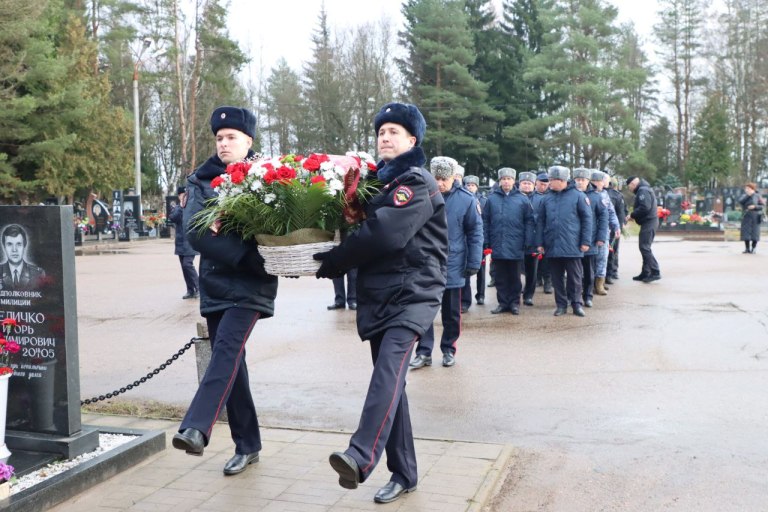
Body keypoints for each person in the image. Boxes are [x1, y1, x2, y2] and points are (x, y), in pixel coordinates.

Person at [312, 102, 447, 504]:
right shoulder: (378, 183)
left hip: (412, 295)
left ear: (412, 139)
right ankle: (404, 473)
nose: (385, 137)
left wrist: (336, 261)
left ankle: (360, 455)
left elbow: (385, 235)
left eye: (394, 131)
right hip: (380, 296)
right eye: (381, 131)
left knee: (386, 374)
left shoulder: (415, 182)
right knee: (394, 387)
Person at [172, 106, 278, 477]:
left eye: (231, 137)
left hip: (252, 285)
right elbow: (196, 232)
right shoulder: (201, 180)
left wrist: (255, 258)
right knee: (234, 364)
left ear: (248, 141)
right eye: (219, 137)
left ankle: (196, 428)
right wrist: (245, 254)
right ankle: (248, 445)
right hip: (217, 283)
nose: (224, 143)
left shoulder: (268, 178)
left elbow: (278, 224)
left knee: (225, 354)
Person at [410, 157, 482, 370]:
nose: (440, 183)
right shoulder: (422, 195)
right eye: (437, 178)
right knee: (424, 311)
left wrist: (474, 261)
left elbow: (475, 232)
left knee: (451, 313)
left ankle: (449, 349)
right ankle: (423, 352)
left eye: (444, 178)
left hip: (453, 263)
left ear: (453, 177)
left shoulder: (467, 200)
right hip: (425, 263)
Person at [536, 166, 592, 317]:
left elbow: (587, 220)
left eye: (551, 180)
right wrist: (540, 243)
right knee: (557, 278)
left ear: (561, 181)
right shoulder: (546, 198)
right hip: (552, 244)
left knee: (574, 278)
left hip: (572, 244)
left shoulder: (578, 196)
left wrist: (585, 241)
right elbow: (541, 221)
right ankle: (561, 305)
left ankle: (576, 304)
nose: (549, 183)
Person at [483, 167, 536, 315]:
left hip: (516, 244)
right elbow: (485, 221)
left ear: (514, 181)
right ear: (500, 181)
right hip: (498, 243)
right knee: (500, 277)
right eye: (503, 179)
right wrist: (486, 240)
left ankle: (514, 303)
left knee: (514, 276)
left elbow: (529, 221)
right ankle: (502, 303)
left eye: (509, 179)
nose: (506, 181)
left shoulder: (522, 199)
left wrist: (528, 240)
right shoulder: (492, 199)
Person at [573, 168, 606, 308]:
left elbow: (603, 217)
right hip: (573, 239)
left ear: (588, 181)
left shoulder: (596, 196)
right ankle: (574, 296)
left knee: (588, 270)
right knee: (574, 271)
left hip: (590, 239)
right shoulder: (570, 194)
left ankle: (587, 296)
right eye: (578, 180)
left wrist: (601, 237)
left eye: (583, 180)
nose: (580, 182)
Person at [625, 176, 661, 282]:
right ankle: (646, 272)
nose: (630, 189)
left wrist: (632, 215)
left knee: (644, 247)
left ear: (632, 184)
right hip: (649, 221)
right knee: (645, 247)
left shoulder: (642, 190)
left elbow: (645, 207)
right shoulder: (644, 189)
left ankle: (655, 271)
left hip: (649, 222)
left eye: (629, 187)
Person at [590, 171, 620, 295]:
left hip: (603, 232)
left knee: (602, 257)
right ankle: (589, 284)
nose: (605, 184)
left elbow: (611, 212)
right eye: (602, 182)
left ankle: (599, 284)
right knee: (589, 259)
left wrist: (616, 226)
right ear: (595, 182)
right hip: (589, 232)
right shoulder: (585, 195)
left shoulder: (605, 195)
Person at [461, 175, 488, 311]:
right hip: (464, 241)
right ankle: (465, 300)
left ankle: (481, 295)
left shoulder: (483, 201)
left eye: (473, 185)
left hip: (479, 241)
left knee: (480, 271)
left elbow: (487, 222)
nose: (470, 187)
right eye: (468, 184)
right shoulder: (463, 199)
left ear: (477, 186)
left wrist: (486, 243)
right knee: (465, 271)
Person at [168, 186, 200, 299]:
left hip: (190, 242)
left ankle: (199, 287)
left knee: (187, 264)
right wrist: (181, 206)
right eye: (183, 194)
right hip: (180, 242)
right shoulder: (178, 208)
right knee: (184, 267)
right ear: (179, 196)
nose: (185, 196)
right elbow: (172, 218)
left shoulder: (192, 207)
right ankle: (190, 290)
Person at [0, 224, 46, 291]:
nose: (14, 250)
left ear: (24, 246)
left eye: (19, 244)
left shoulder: (37, 274)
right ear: (4, 247)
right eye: (9, 244)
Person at [518, 172, 540, 306]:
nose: (526, 185)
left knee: (532, 271)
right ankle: (516, 292)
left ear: (534, 185)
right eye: (524, 183)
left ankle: (528, 295)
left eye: (529, 183)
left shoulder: (540, 199)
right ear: (519, 184)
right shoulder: (515, 197)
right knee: (516, 270)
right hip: (516, 240)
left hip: (533, 241)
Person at [327, 230, 357, 310]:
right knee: (336, 273)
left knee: (353, 274)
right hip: (336, 242)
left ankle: (353, 300)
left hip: (352, 242)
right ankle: (339, 301)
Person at [534, 173, 553, 294]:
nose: (543, 186)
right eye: (541, 184)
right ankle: (537, 279)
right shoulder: (531, 196)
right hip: (534, 231)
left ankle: (548, 281)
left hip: (547, 232)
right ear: (536, 183)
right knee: (535, 258)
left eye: (546, 184)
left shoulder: (551, 196)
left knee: (547, 259)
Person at [605, 176, 627, 281]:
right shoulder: (617, 195)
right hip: (612, 228)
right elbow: (621, 213)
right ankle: (610, 273)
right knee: (612, 250)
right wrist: (619, 225)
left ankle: (608, 273)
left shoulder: (614, 195)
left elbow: (621, 212)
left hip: (608, 227)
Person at [738, 182, 764, 254]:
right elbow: (740, 201)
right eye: (746, 188)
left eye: (748, 188)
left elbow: (762, 206)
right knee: (746, 233)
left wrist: (755, 207)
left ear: (753, 189)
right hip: (746, 216)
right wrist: (748, 196)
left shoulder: (758, 196)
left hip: (755, 217)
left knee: (755, 233)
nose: (747, 190)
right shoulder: (744, 196)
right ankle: (747, 248)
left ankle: (753, 248)